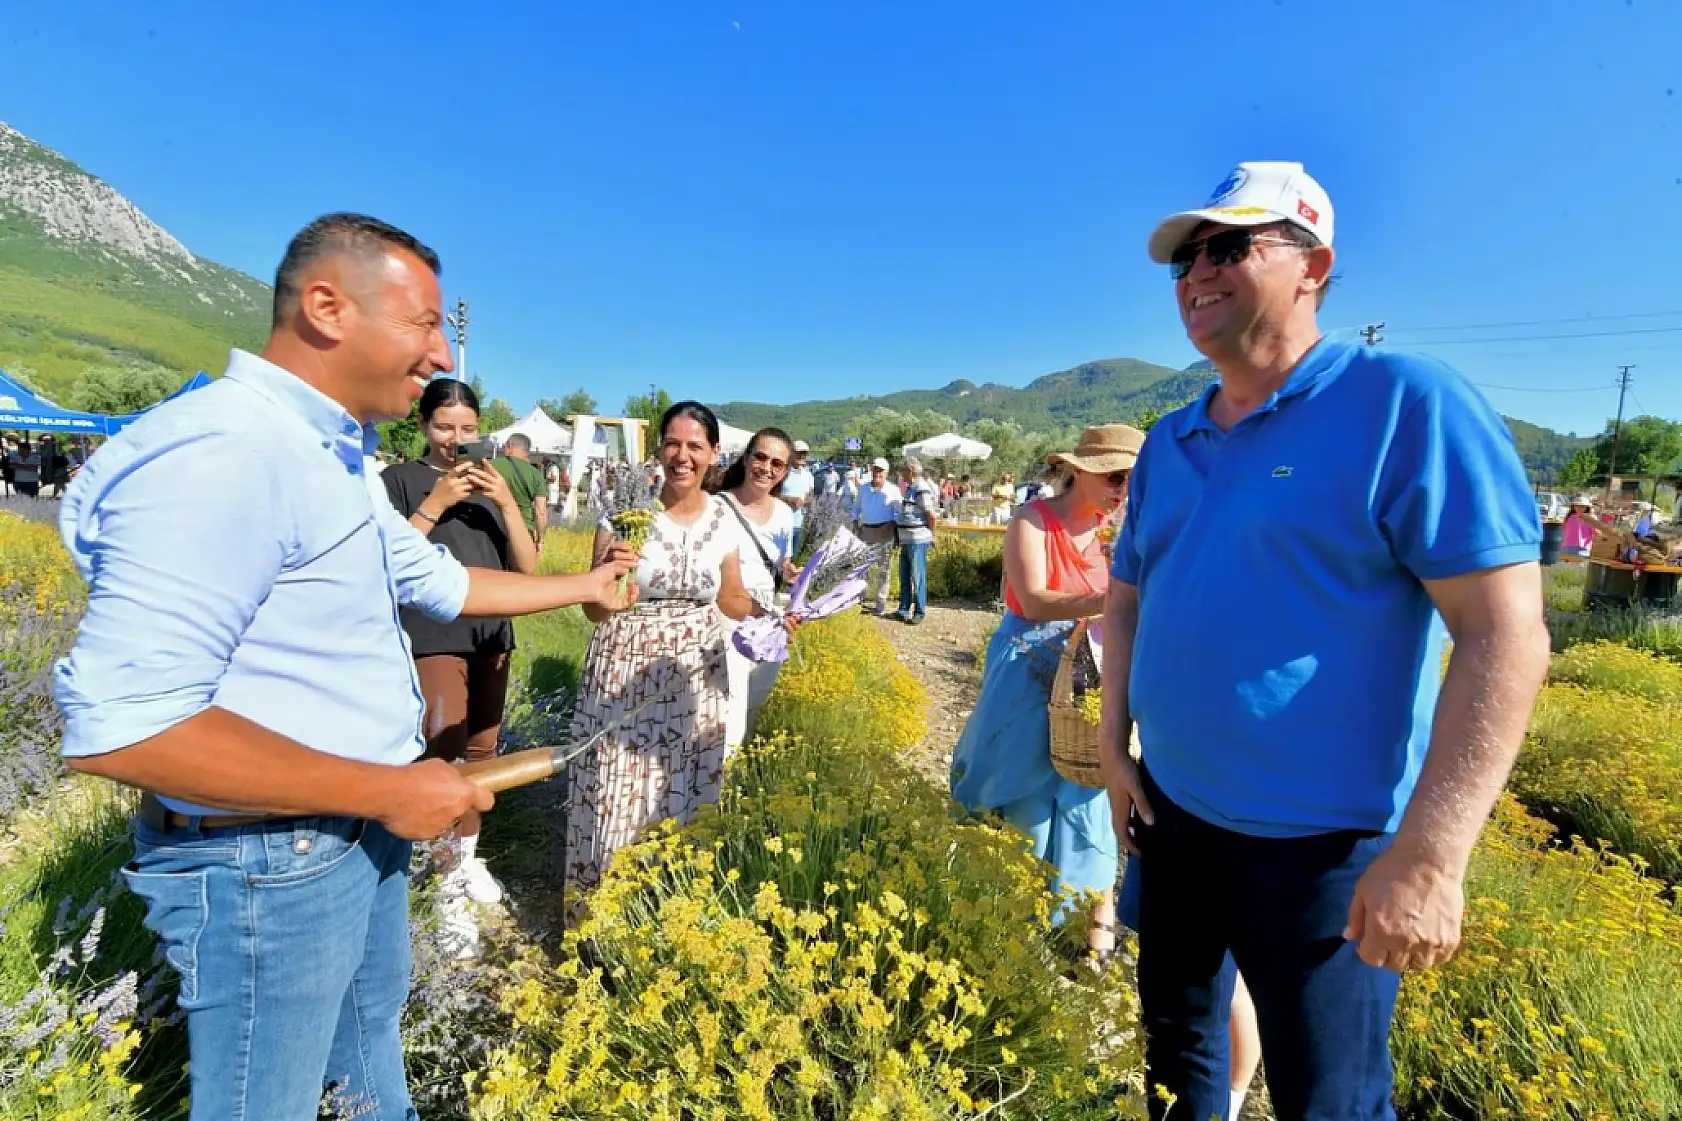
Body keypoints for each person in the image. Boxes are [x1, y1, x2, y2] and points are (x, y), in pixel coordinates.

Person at [52, 213, 636, 1121]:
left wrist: (584, 584)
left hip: (347, 830)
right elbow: (123, 725)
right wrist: (384, 788)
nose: (442, 350)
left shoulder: (333, 458)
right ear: (326, 306)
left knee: (368, 1067)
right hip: (264, 859)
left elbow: (439, 582)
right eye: (424, 322)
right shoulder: (226, 451)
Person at [1100, 161, 1550, 1120]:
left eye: (1228, 246)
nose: (1196, 273)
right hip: (1174, 817)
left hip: (1325, 853)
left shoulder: (1404, 404)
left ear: (1314, 265)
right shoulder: (1169, 442)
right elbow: (1127, 601)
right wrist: (1112, 748)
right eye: (1184, 258)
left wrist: (1432, 857)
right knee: (1179, 1060)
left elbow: (1504, 633)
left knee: (1329, 1101)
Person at [951, 425, 1141, 966]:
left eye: (1131, 478)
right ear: (1078, 471)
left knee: (1088, 787)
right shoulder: (1032, 518)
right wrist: (1114, 599)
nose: (1122, 488)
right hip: (1029, 666)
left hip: (1093, 669)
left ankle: (1092, 938)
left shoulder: (1119, 530)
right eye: (1113, 476)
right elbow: (1032, 600)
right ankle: (1015, 930)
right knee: (1024, 791)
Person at [565, 401, 757, 917]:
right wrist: (609, 575)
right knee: (619, 794)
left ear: (714, 454)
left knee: (682, 794)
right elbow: (591, 607)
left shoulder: (725, 519)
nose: (683, 456)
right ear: (659, 450)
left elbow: (731, 597)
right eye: (673, 444)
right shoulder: (627, 509)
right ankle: (604, 925)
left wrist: (773, 614)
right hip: (626, 666)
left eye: (695, 446)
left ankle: (665, 921)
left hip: (697, 670)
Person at [382, 378, 538, 957]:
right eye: (445, 428)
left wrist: (503, 502)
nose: (457, 440)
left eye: (469, 430)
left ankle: (468, 861)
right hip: (434, 638)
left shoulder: (494, 489)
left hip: (493, 636)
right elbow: (387, 558)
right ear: (423, 426)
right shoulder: (397, 482)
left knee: (482, 759)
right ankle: (447, 889)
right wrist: (437, 502)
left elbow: (527, 570)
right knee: (443, 761)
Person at [718, 427, 800, 747]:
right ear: (747, 457)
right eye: (761, 457)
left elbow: (781, 563)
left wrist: (791, 572)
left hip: (770, 617)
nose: (766, 468)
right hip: (729, 614)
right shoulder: (718, 507)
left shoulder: (783, 513)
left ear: (784, 471)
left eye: (777, 464)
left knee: (756, 700)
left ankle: (738, 781)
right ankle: (720, 785)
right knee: (731, 708)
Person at [890, 456, 939, 624]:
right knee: (904, 575)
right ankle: (903, 609)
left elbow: (931, 515)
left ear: (910, 471)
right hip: (907, 540)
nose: (901, 475)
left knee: (917, 576)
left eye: (903, 471)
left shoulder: (921, 488)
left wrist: (932, 535)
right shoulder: (911, 488)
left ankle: (919, 611)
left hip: (917, 540)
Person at [853, 456, 901, 614]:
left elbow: (899, 512)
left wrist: (892, 524)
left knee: (883, 569)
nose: (877, 473)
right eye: (875, 469)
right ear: (871, 470)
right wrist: (854, 524)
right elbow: (856, 508)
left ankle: (880, 604)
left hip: (884, 533)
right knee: (861, 568)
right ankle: (857, 600)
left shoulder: (893, 490)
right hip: (866, 531)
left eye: (881, 470)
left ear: (886, 472)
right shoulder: (864, 488)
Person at [491, 431, 548, 549]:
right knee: (519, 568)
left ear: (510, 446)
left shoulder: (491, 465)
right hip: (524, 530)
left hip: (494, 526)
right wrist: (540, 539)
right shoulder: (536, 474)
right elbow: (540, 511)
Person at [781, 439, 816, 554]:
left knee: (792, 558)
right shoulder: (782, 473)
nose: (802, 456)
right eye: (799, 452)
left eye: (804, 453)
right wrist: (789, 499)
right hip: (781, 523)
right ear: (791, 453)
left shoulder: (808, 476)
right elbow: (771, 496)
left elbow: (810, 496)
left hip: (798, 523)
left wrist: (806, 501)